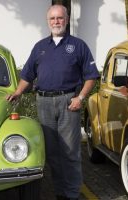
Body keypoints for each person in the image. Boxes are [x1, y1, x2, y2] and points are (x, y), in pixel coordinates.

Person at [6, 4, 100, 200]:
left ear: (66, 19)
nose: (56, 22)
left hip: (69, 103)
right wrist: (18, 92)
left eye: (60, 18)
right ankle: (60, 193)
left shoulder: (79, 45)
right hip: (44, 103)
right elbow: (27, 76)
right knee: (53, 153)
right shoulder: (40, 47)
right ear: (48, 21)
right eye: (53, 19)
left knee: (71, 153)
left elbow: (91, 76)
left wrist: (80, 98)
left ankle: (72, 194)